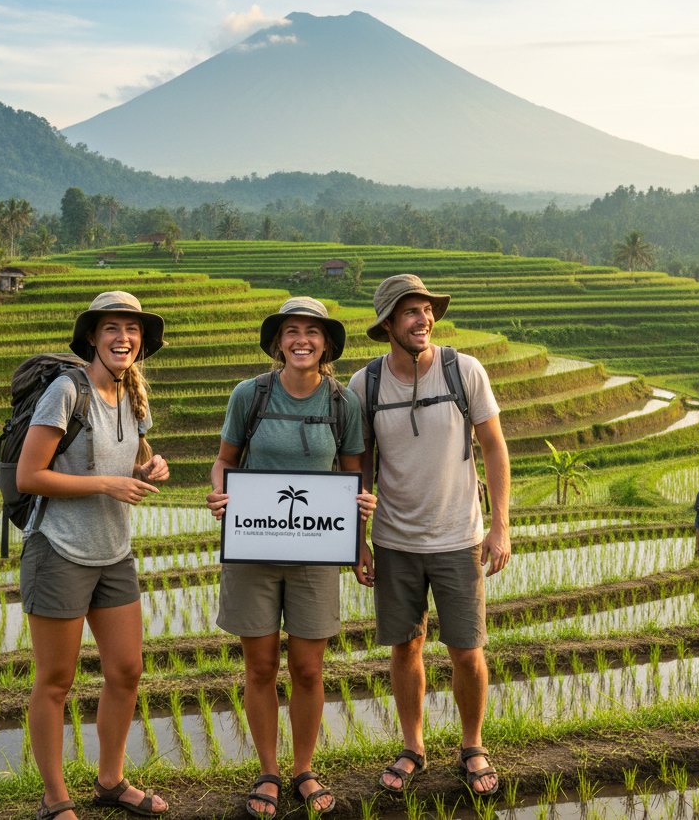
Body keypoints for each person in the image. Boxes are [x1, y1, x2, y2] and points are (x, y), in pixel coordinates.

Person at [206, 297, 376, 817]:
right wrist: (221, 495)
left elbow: (352, 475)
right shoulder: (249, 394)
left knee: (307, 668)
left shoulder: (343, 403)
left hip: (315, 552)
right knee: (259, 667)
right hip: (254, 549)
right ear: (278, 341)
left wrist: (360, 530)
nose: (302, 339)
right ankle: (269, 771)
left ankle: (304, 768)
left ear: (326, 344)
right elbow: (223, 462)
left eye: (312, 332)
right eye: (292, 331)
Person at [348, 275, 511, 799]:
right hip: (395, 540)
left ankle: (472, 745)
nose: (423, 320)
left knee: (467, 650)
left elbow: (493, 446)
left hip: (459, 537)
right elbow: (360, 465)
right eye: (410, 313)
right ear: (388, 325)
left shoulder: (463, 370)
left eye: (426, 310)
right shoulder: (365, 385)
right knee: (405, 648)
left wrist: (500, 525)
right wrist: (359, 538)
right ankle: (413, 745)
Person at [16, 291, 171, 820]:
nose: (123, 337)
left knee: (127, 670)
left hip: (113, 552)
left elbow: (133, 457)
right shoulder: (66, 391)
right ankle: (55, 799)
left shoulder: (133, 396)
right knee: (56, 680)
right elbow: (29, 476)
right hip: (59, 549)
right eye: (112, 328)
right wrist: (106, 483)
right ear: (92, 337)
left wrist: (150, 468)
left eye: (132, 329)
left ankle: (110, 781)